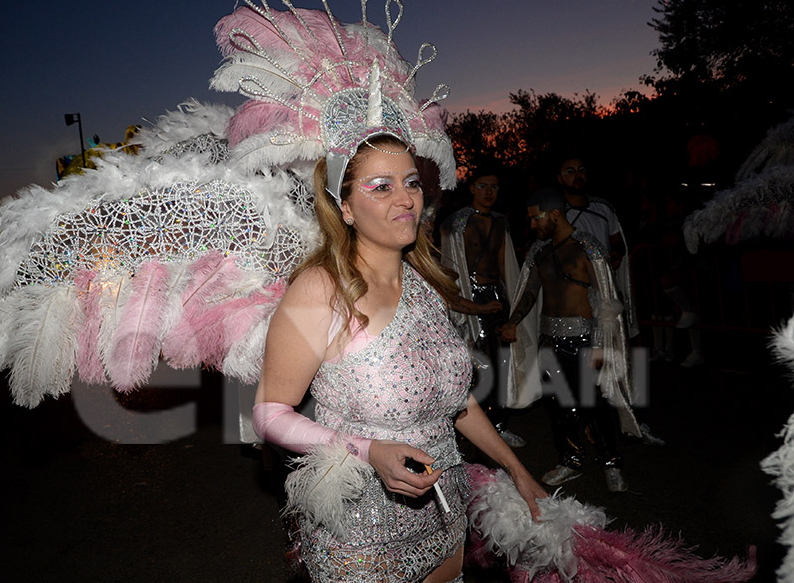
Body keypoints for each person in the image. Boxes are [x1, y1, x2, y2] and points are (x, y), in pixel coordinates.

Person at [253, 134, 546, 582]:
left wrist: (516, 470)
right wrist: (369, 451)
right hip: (361, 527)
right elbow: (270, 414)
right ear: (345, 208)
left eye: (411, 182)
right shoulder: (321, 289)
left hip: (444, 512)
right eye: (381, 186)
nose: (406, 197)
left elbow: (457, 402)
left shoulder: (424, 286)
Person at [501, 187, 641, 493]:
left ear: (554, 214)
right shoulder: (540, 252)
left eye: (536, 218)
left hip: (585, 338)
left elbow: (607, 297)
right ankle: (570, 460)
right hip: (549, 339)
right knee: (559, 404)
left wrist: (605, 343)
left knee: (594, 403)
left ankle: (610, 463)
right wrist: (513, 322)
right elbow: (530, 291)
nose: (533, 225)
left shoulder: (586, 247)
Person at [440, 172, 526, 448]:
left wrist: (510, 303)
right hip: (469, 297)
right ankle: (470, 431)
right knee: (475, 365)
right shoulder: (457, 223)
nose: (489, 192)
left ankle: (499, 426)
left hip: (495, 295)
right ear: (472, 189)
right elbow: (451, 266)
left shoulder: (501, 222)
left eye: (494, 187)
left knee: (502, 361)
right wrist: (465, 303)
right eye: (483, 186)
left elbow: (504, 265)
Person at [556, 157, 638, 338]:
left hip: (606, 290)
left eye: (581, 170)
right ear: (559, 178)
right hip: (573, 297)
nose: (577, 175)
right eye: (570, 171)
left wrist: (616, 254)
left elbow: (617, 241)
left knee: (612, 347)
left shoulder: (603, 208)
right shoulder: (556, 213)